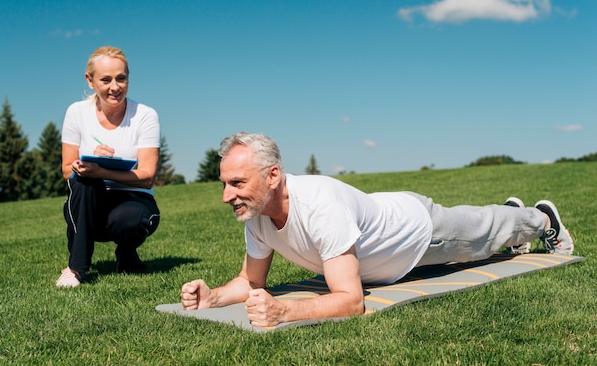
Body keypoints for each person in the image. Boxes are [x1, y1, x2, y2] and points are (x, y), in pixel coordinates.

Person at [181, 132, 574, 327]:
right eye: (224, 183)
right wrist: (212, 298)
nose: (226, 196)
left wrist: (285, 310)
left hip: (418, 233)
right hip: (382, 216)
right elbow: (251, 281)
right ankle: (511, 217)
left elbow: (351, 302)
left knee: (484, 235)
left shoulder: (318, 205)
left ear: (272, 176)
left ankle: (540, 220)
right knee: (489, 229)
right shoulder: (259, 215)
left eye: (237, 183)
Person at [56, 46, 161, 288]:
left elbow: (147, 177)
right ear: (90, 80)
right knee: (81, 180)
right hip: (91, 201)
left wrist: (103, 171)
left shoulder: (145, 115)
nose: (115, 87)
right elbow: (66, 169)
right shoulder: (76, 112)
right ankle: (76, 267)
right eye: (106, 80)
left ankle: (126, 254)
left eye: (121, 78)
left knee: (130, 219)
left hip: (134, 198)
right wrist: (90, 160)